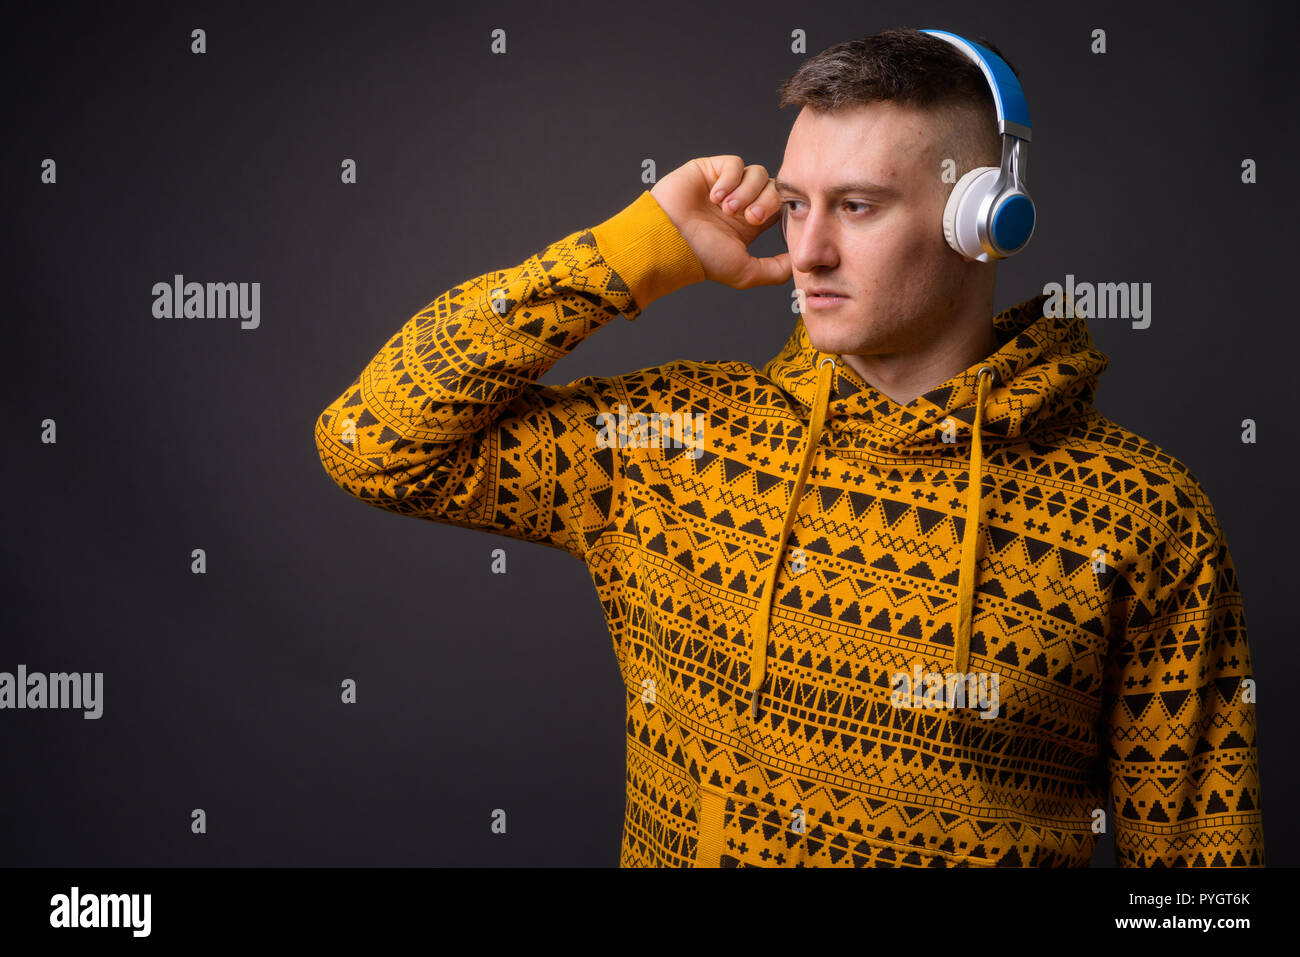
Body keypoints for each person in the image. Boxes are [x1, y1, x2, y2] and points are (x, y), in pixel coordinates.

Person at [313, 28, 1263, 867]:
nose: (804, 252)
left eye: (855, 206)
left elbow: (1200, 880)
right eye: (796, 204)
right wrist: (638, 249)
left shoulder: (1143, 513)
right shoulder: (673, 444)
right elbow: (373, 442)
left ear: (984, 221)